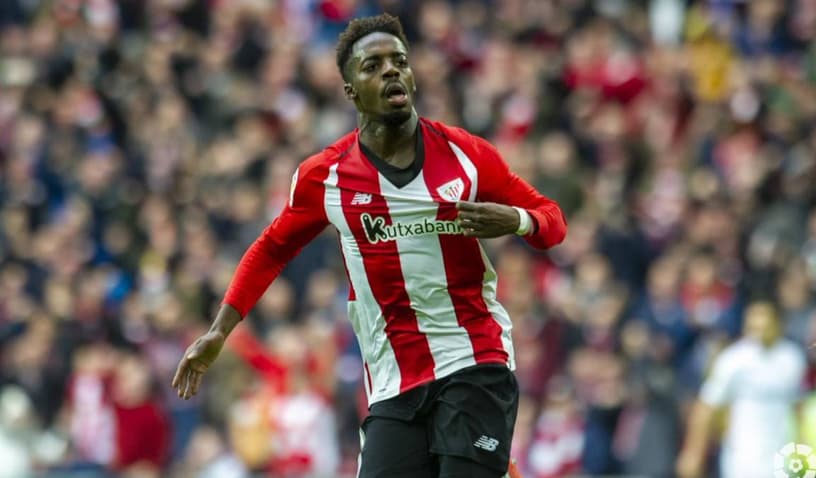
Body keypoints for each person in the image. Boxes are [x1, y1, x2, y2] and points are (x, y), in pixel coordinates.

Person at [171, 13, 567, 478]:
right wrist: (220, 329)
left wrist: (516, 220)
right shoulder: (327, 176)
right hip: (393, 377)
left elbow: (553, 222)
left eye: (399, 61)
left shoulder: (466, 155)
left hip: (473, 356)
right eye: (373, 65)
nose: (391, 71)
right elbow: (272, 249)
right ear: (351, 91)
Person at [676, 301, 806, 478]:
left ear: (778, 323)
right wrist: (693, 453)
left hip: (782, 459)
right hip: (742, 461)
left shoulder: (792, 358)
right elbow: (706, 407)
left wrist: (804, 447)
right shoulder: (734, 360)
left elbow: (798, 407)